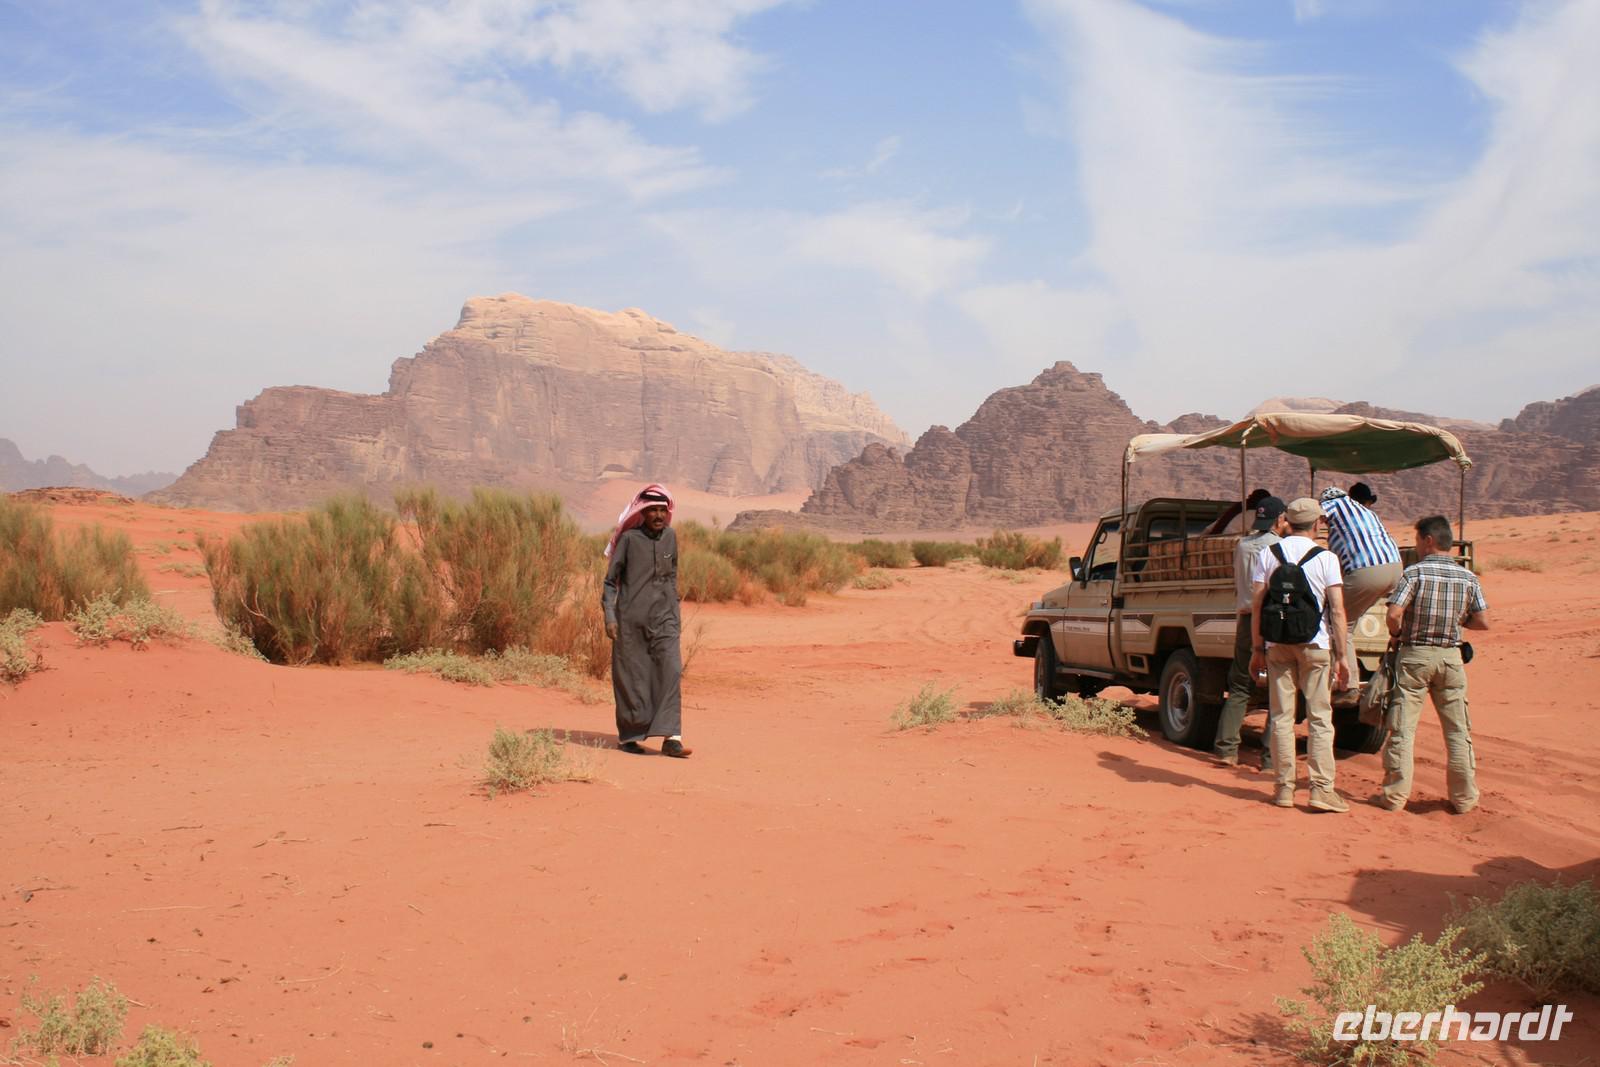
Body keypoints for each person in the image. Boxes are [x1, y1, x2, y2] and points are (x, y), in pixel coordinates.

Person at [1379, 515, 1489, 813]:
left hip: (1414, 656)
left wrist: (1396, 634)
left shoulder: (1413, 574)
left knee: (1403, 728)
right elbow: (1482, 621)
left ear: (1428, 540)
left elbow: (1392, 614)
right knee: (1457, 730)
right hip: (1451, 657)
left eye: (1417, 540)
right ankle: (1464, 798)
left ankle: (1394, 797)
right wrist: (1456, 620)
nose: (1416, 546)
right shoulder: (1468, 577)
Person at [1248, 497, 1350, 812]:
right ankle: (1321, 790)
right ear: (1317, 523)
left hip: (1277, 645)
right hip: (1316, 646)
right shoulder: (1327, 558)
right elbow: (1337, 609)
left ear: (1287, 521)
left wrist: (1256, 648)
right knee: (1320, 718)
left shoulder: (1268, 553)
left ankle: (1283, 789)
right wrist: (1343, 656)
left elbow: (1257, 605)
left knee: (1280, 717)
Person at [603, 484, 691, 758]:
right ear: (642, 512)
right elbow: (610, 582)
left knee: (671, 671)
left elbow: (672, 574)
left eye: (662, 510)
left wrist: (673, 607)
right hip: (631, 621)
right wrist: (610, 616)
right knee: (633, 678)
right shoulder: (629, 540)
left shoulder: (671, 537)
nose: (658, 515)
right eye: (652, 509)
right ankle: (630, 736)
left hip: (665, 620)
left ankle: (672, 737)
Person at [1212, 494, 1285, 770]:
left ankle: (1227, 750)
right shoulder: (1281, 547)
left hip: (1245, 620)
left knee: (1240, 686)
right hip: (1273, 621)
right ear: (1280, 519)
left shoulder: (1242, 545)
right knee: (1278, 690)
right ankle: (1269, 758)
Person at [1319, 482, 1402, 693]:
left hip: (1368, 571)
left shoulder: (1333, 506)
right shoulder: (1367, 513)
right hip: (1395, 568)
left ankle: (1347, 684)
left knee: (1339, 624)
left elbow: (1308, 521)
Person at [1203, 488, 1271, 537]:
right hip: (1231, 548)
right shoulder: (1255, 515)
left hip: (1214, 544)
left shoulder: (1236, 510)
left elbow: (1207, 529)